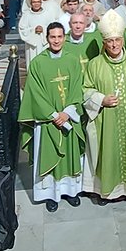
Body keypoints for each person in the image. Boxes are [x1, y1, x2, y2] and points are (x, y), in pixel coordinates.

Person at [81, 10, 126, 203]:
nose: (114, 45)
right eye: (110, 41)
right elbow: (86, 89)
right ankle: (107, 191)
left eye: (117, 40)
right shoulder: (95, 65)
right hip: (106, 121)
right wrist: (100, 99)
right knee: (107, 153)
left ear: (122, 40)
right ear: (104, 42)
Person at [18, 23, 85, 212]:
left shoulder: (72, 60)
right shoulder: (38, 62)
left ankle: (71, 192)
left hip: (68, 116)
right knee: (49, 154)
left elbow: (78, 87)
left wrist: (67, 113)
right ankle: (50, 195)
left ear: (65, 37)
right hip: (48, 121)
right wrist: (54, 115)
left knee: (69, 155)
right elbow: (35, 92)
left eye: (59, 37)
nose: (56, 40)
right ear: (47, 38)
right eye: (52, 37)